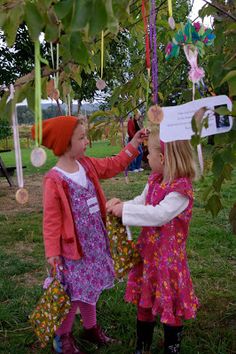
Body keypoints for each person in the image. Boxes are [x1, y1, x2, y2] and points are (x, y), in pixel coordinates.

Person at [31, 115, 148, 354]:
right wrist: (52, 252)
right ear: (65, 143)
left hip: (94, 244)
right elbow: (51, 220)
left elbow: (114, 164)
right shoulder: (54, 180)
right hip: (72, 251)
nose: (87, 142)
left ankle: (90, 328)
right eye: (82, 138)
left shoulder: (87, 165)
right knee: (72, 294)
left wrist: (134, 143)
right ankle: (63, 338)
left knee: (90, 287)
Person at [106, 129, 199, 354]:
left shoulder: (180, 191)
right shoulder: (156, 179)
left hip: (169, 262)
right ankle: (143, 347)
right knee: (144, 299)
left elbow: (159, 214)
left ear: (163, 158)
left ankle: (171, 347)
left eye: (149, 153)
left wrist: (124, 210)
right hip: (149, 254)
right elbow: (142, 201)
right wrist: (123, 205)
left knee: (172, 304)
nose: (145, 157)